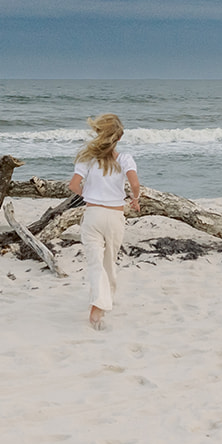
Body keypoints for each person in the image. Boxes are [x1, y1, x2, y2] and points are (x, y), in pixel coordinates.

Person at [68, 113, 141, 330]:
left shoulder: (87, 159)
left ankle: (98, 305)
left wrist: (88, 193)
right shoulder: (125, 159)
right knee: (109, 261)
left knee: (94, 262)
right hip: (115, 216)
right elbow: (135, 184)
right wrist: (135, 200)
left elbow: (73, 185)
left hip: (93, 215)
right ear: (117, 138)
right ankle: (101, 303)